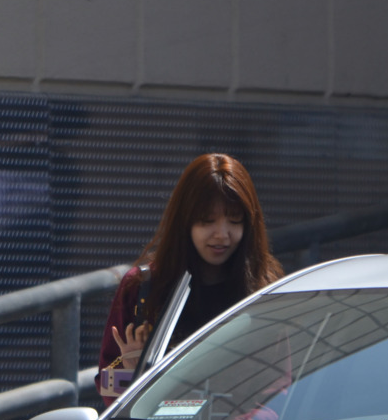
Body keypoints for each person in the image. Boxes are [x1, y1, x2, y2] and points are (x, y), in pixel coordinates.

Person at [96, 153, 283, 403]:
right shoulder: (142, 287)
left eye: (235, 220)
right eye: (207, 221)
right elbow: (108, 391)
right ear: (184, 221)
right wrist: (133, 370)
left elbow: (278, 390)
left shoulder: (265, 288)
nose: (222, 235)